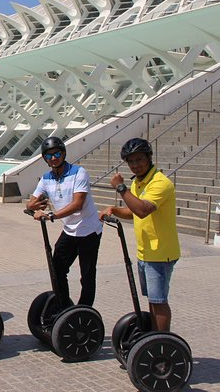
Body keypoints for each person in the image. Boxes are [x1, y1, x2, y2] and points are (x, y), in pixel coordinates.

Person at [99, 137, 180, 332]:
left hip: (160, 253)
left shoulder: (160, 183)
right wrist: (115, 210)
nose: (135, 165)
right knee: (153, 300)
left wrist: (121, 188)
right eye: (131, 161)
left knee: (159, 301)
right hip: (145, 252)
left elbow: (143, 209)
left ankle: (162, 343)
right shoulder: (139, 183)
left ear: (149, 157)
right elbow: (135, 211)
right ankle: (154, 337)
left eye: (140, 159)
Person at [26, 136, 103, 307]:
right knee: (57, 269)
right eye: (49, 156)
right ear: (44, 159)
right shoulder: (46, 178)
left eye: (57, 153)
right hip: (70, 230)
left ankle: (84, 311)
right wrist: (33, 205)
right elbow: (30, 202)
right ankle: (64, 308)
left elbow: (78, 204)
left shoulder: (79, 172)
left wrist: (50, 215)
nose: (53, 158)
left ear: (63, 153)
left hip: (89, 230)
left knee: (87, 274)